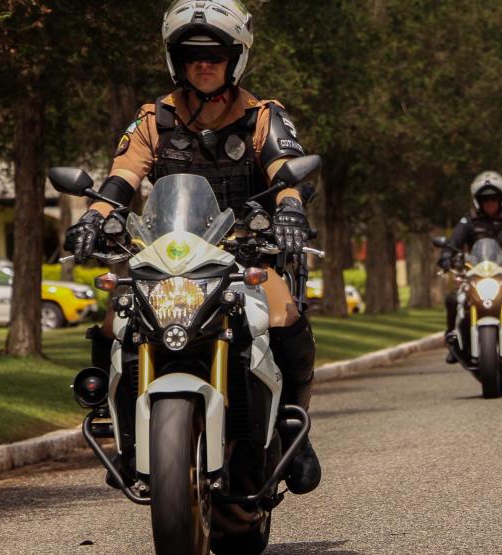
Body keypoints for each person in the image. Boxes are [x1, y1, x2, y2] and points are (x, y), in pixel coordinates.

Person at [63, 0, 319, 495]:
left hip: (247, 254)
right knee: (113, 320)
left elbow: (288, 173)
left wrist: (289, 210)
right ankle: (124, 431)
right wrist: (91, 219)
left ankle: (294, 426)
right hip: (165, 255)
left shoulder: (264, 116)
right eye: (192, 55)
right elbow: (122, 179)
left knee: (285, 313)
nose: (204, 64)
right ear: (175, 60)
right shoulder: (152, 119)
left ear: (235, 59)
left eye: (215, 55)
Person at [437, 171, 502, 361]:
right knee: (454, 299)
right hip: (476, 275)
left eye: (494, 199)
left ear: (501, 199)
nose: (490, 203)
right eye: (485, 199)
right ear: (477, 201)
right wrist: (447, 256)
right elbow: (453, 242)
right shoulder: (468, 222)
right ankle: (453, 339)